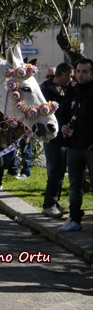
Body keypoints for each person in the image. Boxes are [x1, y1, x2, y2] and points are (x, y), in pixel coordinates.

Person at [57, 58, 93, 232]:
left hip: (90, 148)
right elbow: (62, 113)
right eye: (78, 71)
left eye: (85, 71)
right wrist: (63, 125)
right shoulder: (72, 91)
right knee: (74, 185)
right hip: (73, 146)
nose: (80, 75)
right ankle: (74, 219)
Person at [40, 62, 74, 218]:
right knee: (55, 170)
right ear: (65, 74)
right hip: (53, 136)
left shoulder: (69, 89)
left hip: (68, 136)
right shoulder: (46, 90)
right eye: (71, 76)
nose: (72, 79)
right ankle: (49, 204)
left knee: (60, 171)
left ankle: (55, 202)